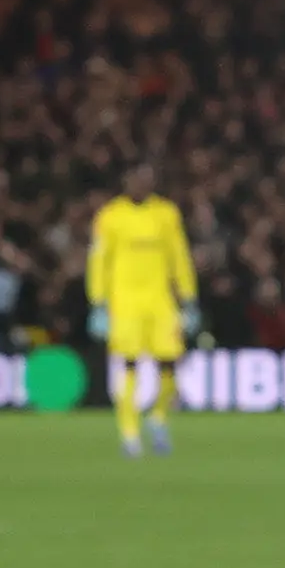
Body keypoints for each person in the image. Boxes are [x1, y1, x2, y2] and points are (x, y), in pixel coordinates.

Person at [85, 162, 197, 458]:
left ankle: (158, 418)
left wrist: (189, 296)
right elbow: (99, 260)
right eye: (138, 178)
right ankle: (130, 434)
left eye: (149, 179)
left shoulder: (166, 213)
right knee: (129, 366)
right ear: (127, 180)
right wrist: (98, 301)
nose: (144, 184)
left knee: (170, 366)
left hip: (161, 303)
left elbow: (179, 256)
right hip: (126, 304)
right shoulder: (111, 216)